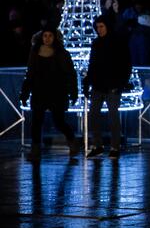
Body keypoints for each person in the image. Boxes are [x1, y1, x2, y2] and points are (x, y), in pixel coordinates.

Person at [20, 27, 79, 161]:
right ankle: (35, 150)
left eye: (50, 36)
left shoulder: (62, 53)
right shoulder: (35, 53)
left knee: (59, 121)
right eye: (45, 35)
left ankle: (72, 141)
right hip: (39, 92)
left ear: (54, 37)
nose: (47, 38)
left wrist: (73, 92)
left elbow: (70, 74)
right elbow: (30, 74)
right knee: (36, 122)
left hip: (57, 93)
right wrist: (25, 93)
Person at [84, 16, 132, 159]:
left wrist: (120, 84)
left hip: (113, 86)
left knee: (113, 116)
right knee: (93, 116)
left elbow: (126, 65)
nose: (99, 30)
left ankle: (114, 147)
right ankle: (98, 145)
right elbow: (92, 65)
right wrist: (88, 83)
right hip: (98, 85)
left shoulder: (119, 42)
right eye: (97, 27)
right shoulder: (96, 43)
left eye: (101, 27)